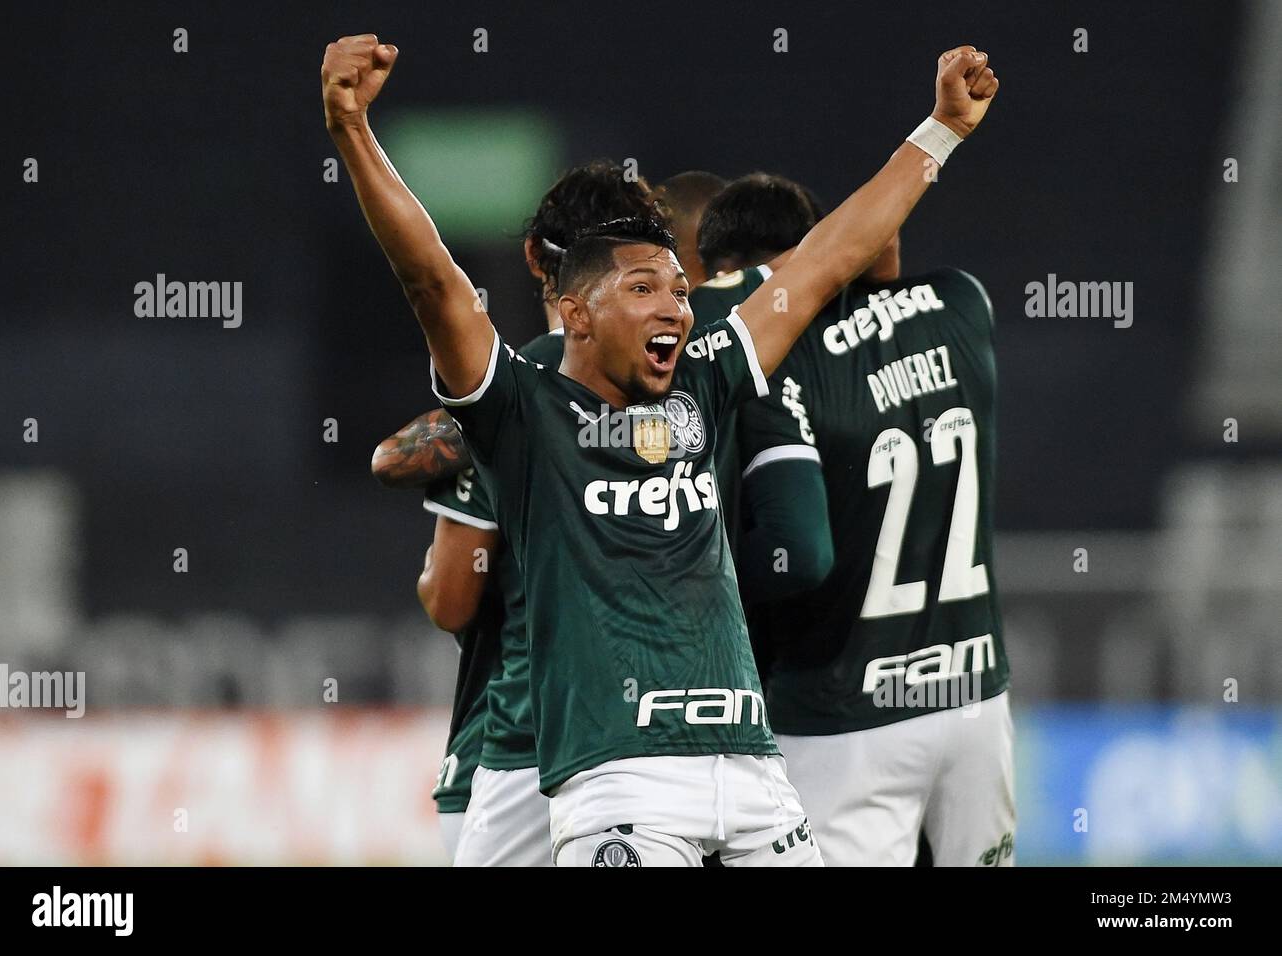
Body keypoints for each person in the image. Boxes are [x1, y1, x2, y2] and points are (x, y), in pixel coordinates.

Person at [322, 32, 998, 865]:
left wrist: (941, 129)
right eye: (643, 290)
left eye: (678, 289)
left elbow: (827, 259)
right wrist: (351, 128)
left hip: (756, 777)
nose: (675, 308)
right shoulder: (523, 408)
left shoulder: (707, 380)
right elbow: (431, 278)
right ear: (576, 312)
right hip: (623, 783)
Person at [697, 173, 1015, 866]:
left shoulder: (780, 365)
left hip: (843, 710)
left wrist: (700, 580)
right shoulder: (963, 301)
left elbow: (797, 552)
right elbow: (883, 251)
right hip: (975, 697)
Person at [374, 161, 666, 864]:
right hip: (674, 746)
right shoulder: (689, 389)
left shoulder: (508, 399)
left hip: (516, 750)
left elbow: (449, 598)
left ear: (536, 257)